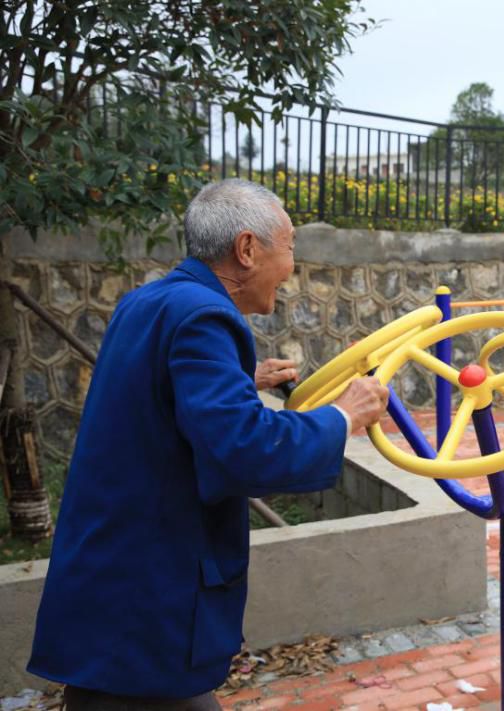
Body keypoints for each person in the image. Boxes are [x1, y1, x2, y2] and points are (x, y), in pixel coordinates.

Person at [28, 179, 390, 709]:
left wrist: (244, 378)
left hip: (107, 581)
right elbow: (245, 449)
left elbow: (161, 395)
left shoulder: (148, 300)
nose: (292, 266)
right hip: (148, 596)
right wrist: (342, 417)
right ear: (247, 249)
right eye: (289, 246)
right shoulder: (205, 315)